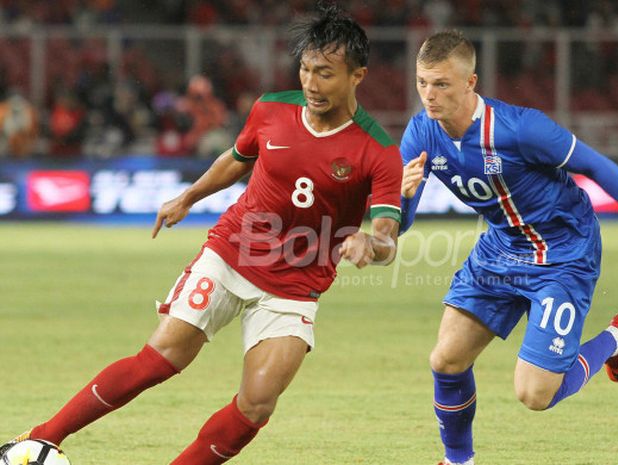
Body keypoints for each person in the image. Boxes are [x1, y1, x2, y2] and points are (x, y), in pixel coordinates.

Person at [1, 5, 402, 464]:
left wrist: (372, 243)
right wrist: (189, 196)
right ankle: (37, 440)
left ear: (358, 76)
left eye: (325, 74)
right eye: (306, 69)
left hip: (295, 286)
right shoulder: (272, 108)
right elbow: (237, 158)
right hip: (232, 253)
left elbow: (388, 235)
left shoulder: (377, 149)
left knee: (257, 403)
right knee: (160, 358)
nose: (311, 83)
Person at [399, 30, 618, 465]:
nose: (429, 95)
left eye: (441, 84)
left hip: (564, 252)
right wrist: (404, 196)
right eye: (422, 82)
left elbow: (595, 164)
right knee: (446, 360)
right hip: (501, 249)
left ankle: (617, 336)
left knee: (534, 394)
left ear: (470, 83)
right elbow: (401, 224)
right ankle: (458, 461)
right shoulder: (420, 135)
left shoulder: (520, 128)